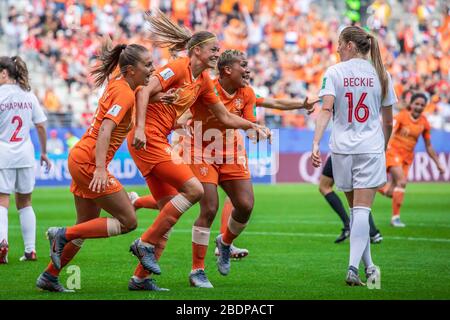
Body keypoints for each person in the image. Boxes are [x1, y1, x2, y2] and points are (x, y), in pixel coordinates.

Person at [127, 9, 271, 291]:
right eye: (213, 49)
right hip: (153, 139)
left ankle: (140, 277)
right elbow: (142, 91)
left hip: (163, 138)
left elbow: (226, 117)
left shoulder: (203, 79)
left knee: (168, 206)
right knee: (198, 196)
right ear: (196, 51)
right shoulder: (178, 67)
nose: (217, 54)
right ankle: (185, 264)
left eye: (218, 50)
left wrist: (252, 126)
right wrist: (141, 128)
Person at [186, 49, 317, 288]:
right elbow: (210, 113)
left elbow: (258, 115)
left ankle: (224, 243)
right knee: (209, 208)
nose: (247, 70)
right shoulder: (207, 87)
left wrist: (255, 130)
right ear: (227, 70)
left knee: (245, 206)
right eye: (243, 65)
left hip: (232, 153)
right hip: (202, 152)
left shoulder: (246, 92)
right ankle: (197, 271)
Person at [36, 39, 154, 292]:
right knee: (128, 221)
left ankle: (49, 276)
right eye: (148, 64)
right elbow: (105, 129)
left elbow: (119, 66)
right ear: (131, 70)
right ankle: (62, 234)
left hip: (81, 156)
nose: (152, 69)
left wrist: (113, 48)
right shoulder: (124, 93)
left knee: (86, 226)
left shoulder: (120, 82)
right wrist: (100, 168)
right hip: (89, 161)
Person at [311, 26, 396, 286]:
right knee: (361, 211)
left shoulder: (334, 72)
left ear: (349, 44)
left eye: (339, 43)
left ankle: (369, 267)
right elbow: (389, 122)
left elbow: (326, 109)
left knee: (355, 211)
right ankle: (351, 267)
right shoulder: (381, 73)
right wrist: (382, 147)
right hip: (369, 147)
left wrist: (315, 142)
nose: (336, 49)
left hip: (341, 149)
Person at [0, 56, 51, 264]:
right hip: (26, 154)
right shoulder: (28, 95)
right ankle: (30, 251)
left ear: (4, 73)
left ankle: (2, 243)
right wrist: (44, 152)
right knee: (25, 202)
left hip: (3, 153)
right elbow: (40, 125)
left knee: (2, 201)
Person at [378, 93, 445, 227]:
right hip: (393, 152)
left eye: (422, 105)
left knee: (391, 192)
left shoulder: (424, 122)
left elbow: (429, 146)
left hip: (407, 158)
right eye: (417, 104)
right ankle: (395, 218)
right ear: (411, 104)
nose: (419, 107)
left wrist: (438, 163)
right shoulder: (402, 116)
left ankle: (370, 186)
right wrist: (384, 149)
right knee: (402, 182)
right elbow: (389, 131)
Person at [319, 156, 383, 244]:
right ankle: (372, 232)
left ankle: (366, 231)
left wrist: (316, 144)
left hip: (342, 152)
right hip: (359, 153)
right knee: (354, 193)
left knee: (327, 187)